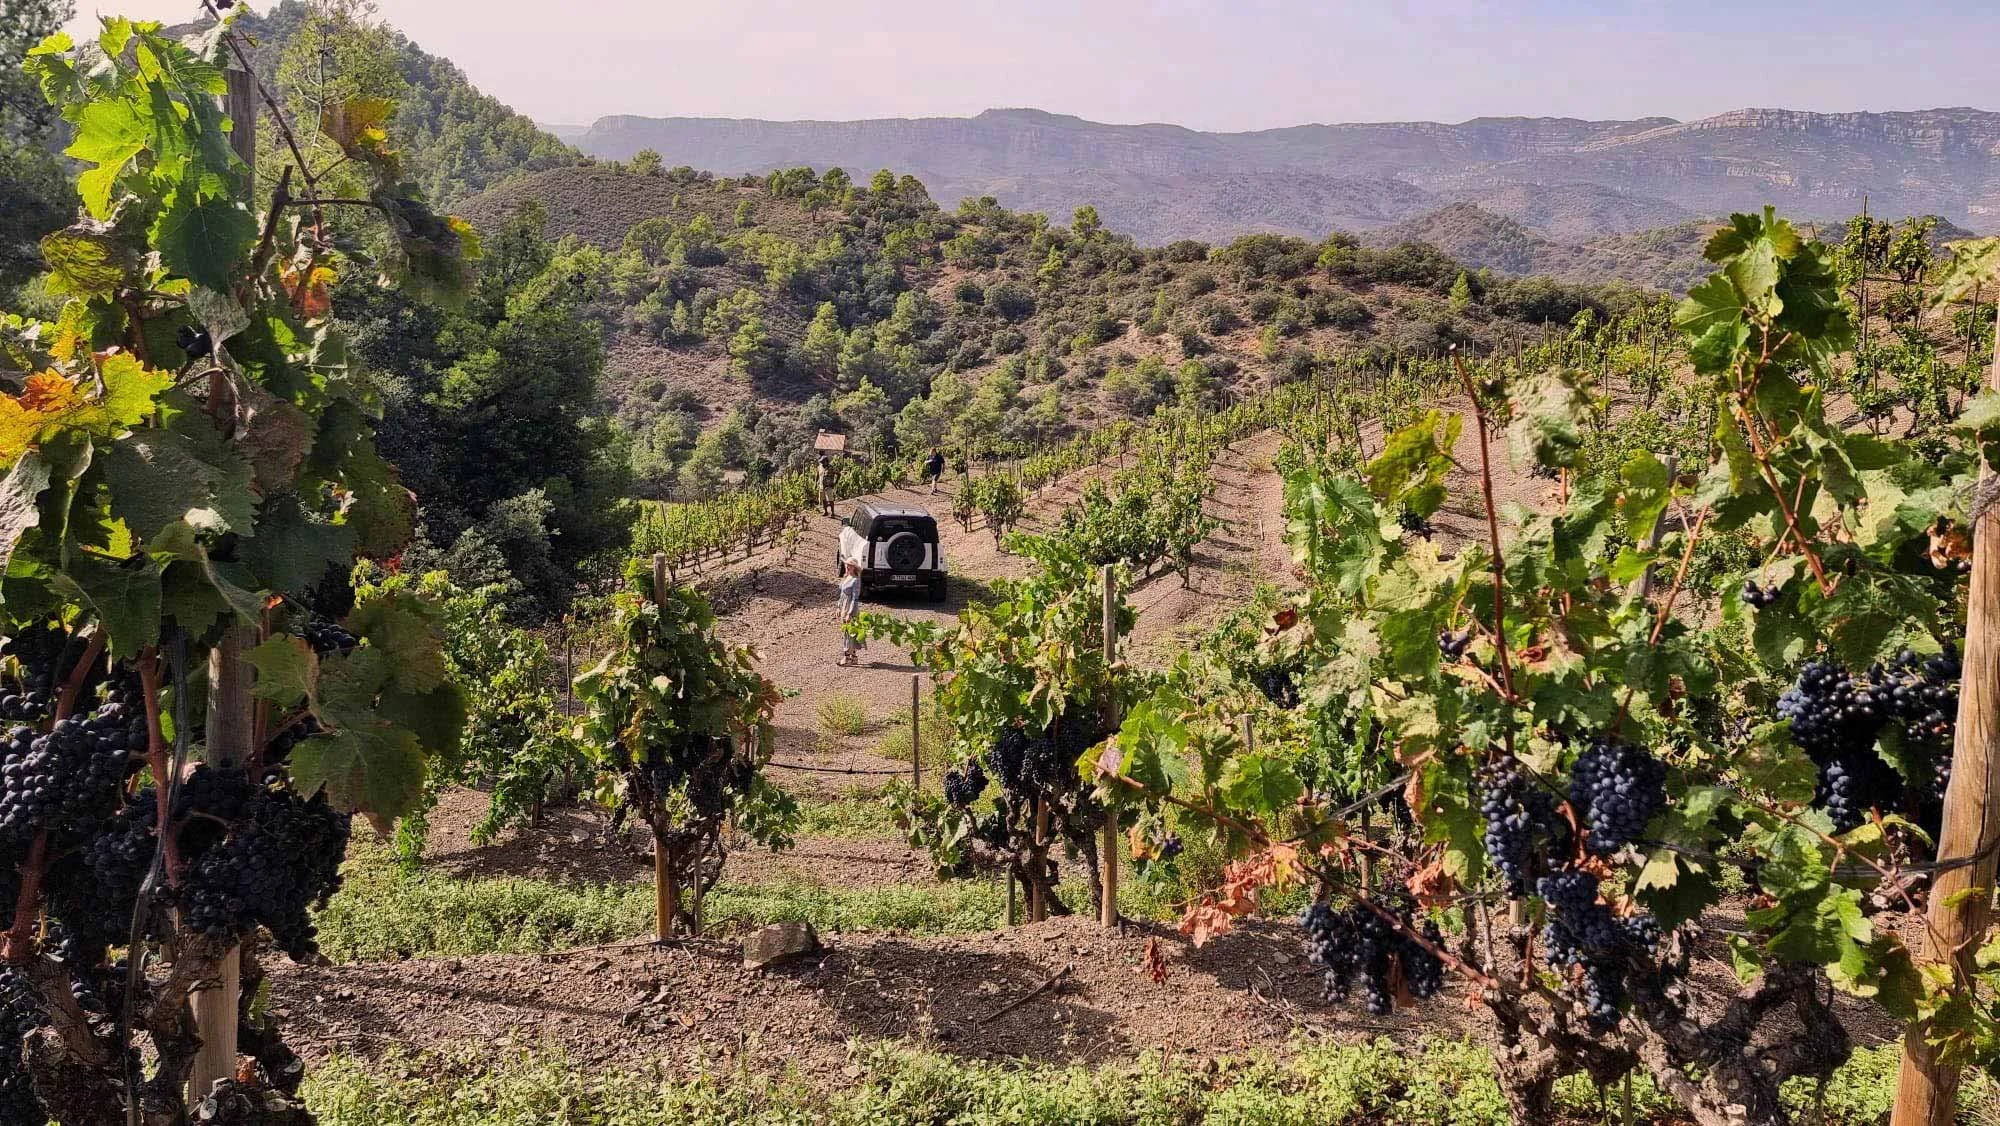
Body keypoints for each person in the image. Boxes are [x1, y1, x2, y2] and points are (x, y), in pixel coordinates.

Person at [837, 560, 865, 667]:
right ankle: (853, 657)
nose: (847, 567)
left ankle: (846, 657)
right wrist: (838, 607)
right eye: (846, 565)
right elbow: (842, 594)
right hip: (844, 605)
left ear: (854, 567)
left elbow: (854, 598)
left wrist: (850, 612)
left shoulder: (856, 580)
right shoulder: (846, 577)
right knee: (847, 631)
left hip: (850, 607)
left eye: (850, 565)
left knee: (849, 632)